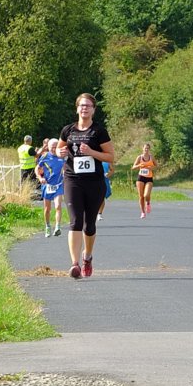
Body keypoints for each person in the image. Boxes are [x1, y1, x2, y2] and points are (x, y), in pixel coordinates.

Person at [56, 93, 114, 279]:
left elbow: (110, 157)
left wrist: (91, 151)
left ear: (93, 110)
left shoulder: (99, 131)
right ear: (77, 108)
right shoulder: (68, 130)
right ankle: (74, 264)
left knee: (89, 225)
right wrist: (60, 151)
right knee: (75, 221)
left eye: (88, 106)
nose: (84, 108)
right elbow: (59, 148)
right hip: (73, 179)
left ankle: (87, 257)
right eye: (82, 105)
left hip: (94, 182)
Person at [35, 138, 65, 238]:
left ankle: (57, 227)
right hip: (47, 186)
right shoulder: (45, 156)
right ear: (48, 147)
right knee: (47, 209)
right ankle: (47, 226)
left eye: (56, 147)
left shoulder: (62, 157)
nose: (54, 149)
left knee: (58, 206)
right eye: (52, 147)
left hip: (59, 185)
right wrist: (40, 178)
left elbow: (66, 168)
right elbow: (37, 168)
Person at [132, 143, 157, 219]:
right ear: (142, 149)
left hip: (149, 178)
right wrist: (139, 165)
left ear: (149, 149)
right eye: (145, 148)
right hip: (140, 178)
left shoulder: (151, 157)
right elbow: (133, 167)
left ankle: (148, 203)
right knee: (141, 196)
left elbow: (156, 166)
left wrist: (151, 168)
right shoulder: (139, 157)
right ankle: (143, 212)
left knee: (146, 195)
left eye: (148, 148)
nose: (146, 150)